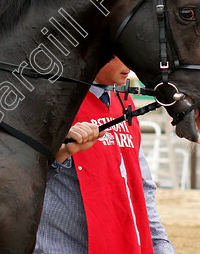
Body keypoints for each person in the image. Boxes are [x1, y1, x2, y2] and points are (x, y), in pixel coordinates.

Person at [34, 57, 174, 254]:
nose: (130, 63)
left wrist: (160, 244)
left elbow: (142, 186)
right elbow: (23, 184)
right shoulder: (50, 101)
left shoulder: (125, 102)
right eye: (121, 55)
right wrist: (62, 153)